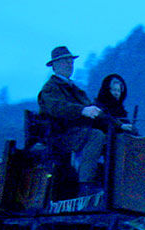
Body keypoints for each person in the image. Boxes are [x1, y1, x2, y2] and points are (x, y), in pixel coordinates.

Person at [38, 46, 125, 193]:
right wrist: (82, 110)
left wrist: (120, 126)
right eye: (64, 61)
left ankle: (115, 186)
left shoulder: (75, 89)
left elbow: (96, 112)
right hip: (61, 135)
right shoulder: (50, 89)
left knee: (117, 137)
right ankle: (85, 186)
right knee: (96, 136)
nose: (69, 64)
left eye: (70, 61)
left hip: (77, 132)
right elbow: (57, 108)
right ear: (54, 66)